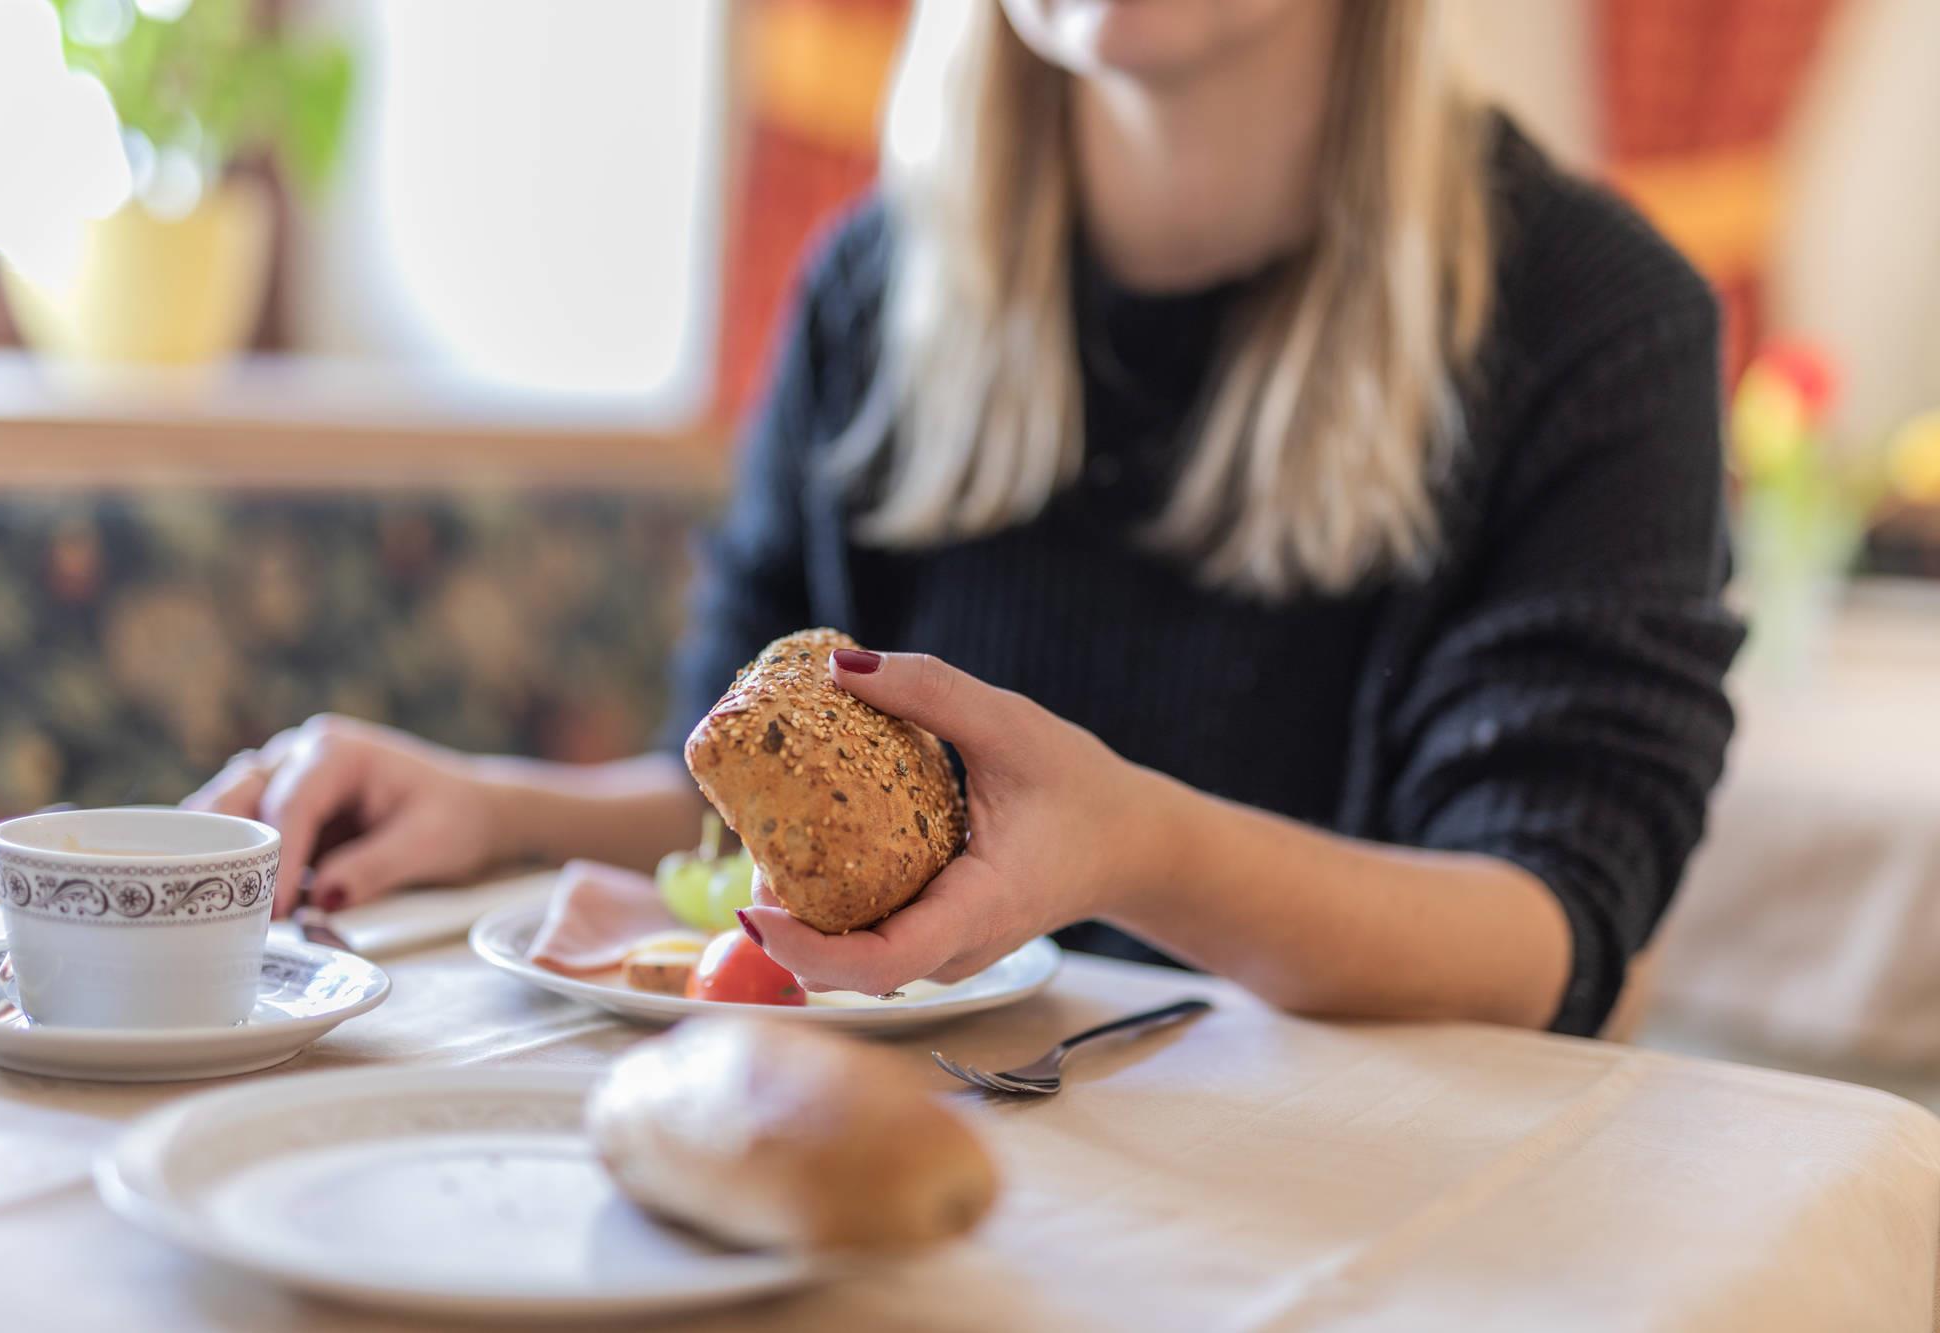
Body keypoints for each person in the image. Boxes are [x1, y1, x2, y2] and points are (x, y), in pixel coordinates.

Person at [188, 0, 1741, 1037]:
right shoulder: (873, 290)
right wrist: (494, 804)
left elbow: (1548, 928)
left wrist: (1132, 848)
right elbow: (747, 815)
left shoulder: (1597, 325)